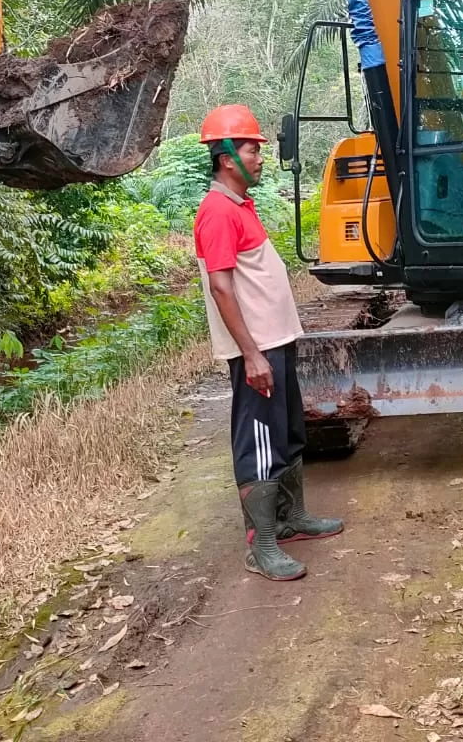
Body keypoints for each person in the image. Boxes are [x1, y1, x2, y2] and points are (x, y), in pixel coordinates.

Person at [193, 104, 343, 582]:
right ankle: (261, 548)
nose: (260, 157)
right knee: (259, 446)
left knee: (287, 435)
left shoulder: (241, 204)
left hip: (277, 343)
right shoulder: (217, 211)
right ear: (225, 157)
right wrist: (252, 353)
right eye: (252, 149)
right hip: (257, 350)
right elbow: (221, 287)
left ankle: (291, 517)